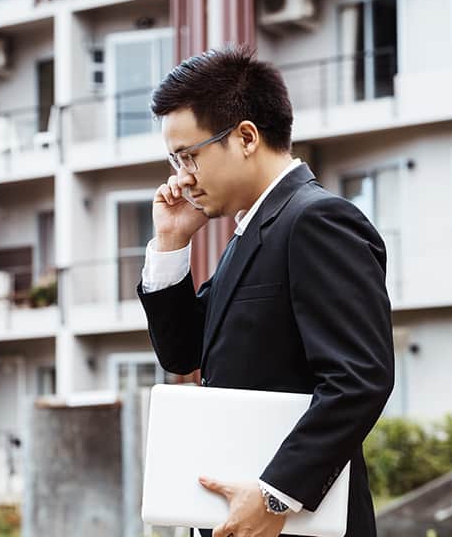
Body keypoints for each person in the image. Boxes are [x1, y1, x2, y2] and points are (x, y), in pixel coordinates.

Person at [137, 45, 394, 537]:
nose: (181, 177)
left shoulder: (316, 220)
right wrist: (170, 242)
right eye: (174, 160)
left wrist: (276, 496)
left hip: (293, 525)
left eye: (189, 156)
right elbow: (182, 353)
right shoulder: (252, 234)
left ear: (247, 137)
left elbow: (360, 378)